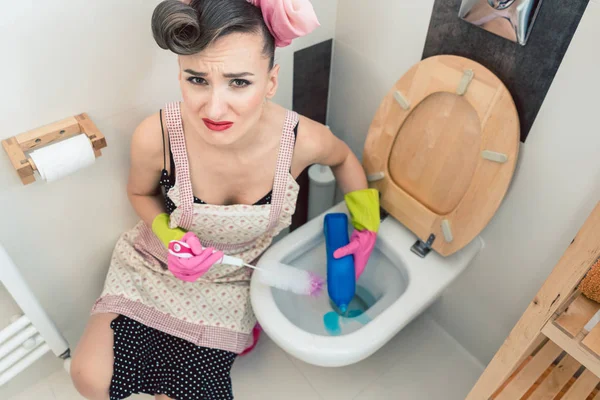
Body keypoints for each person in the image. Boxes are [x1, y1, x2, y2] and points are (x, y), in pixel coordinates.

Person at [70, 0, 380, 399]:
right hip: (156, 266)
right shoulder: (158, 135)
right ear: (179, 74)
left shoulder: (301, 140)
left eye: (239, 82)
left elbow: (343, 159)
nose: (214, 108)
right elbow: (140, 192)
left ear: (270, 81)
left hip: (232, 280)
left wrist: (366, 221)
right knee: (91, 378)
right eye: (196, 80)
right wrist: (168, 234)